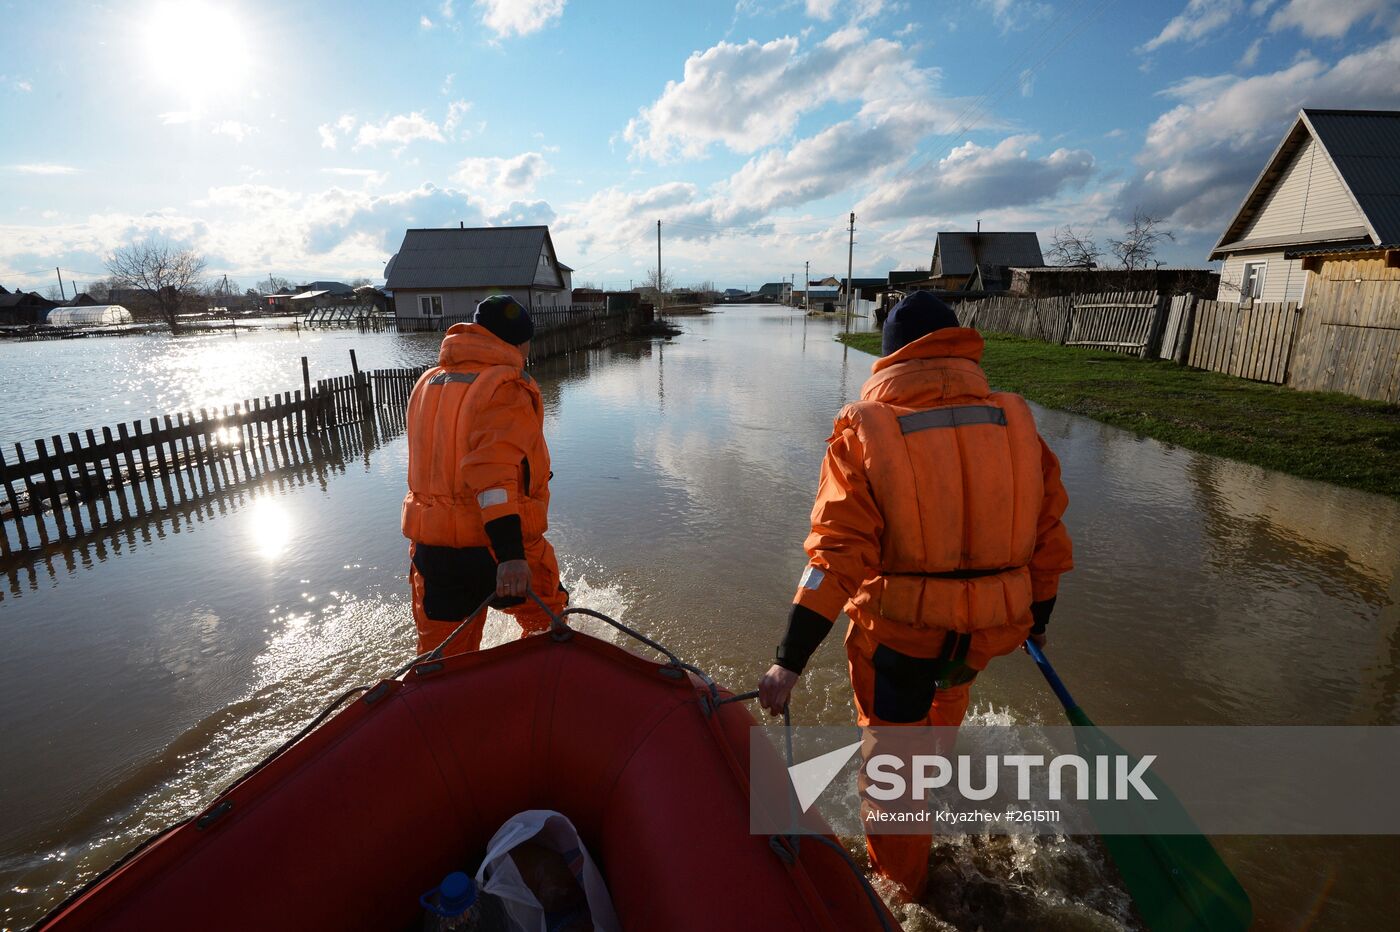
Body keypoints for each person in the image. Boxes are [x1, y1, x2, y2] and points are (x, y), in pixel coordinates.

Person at [756, 290, 1073, 902]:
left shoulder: (866, 429)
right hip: (982, 634)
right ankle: (937, 778)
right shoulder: (1017, 422)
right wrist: (1039, 620)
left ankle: (902, 894)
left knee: (893, 777)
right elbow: (1048, 539)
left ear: (890, 355)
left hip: (901, 639)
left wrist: (788, 658)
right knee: (946, 703)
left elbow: (835, 556)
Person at [401, 294, 568, 656]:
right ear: (519, 341)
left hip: (434, 551)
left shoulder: (428, 382)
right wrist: (510, 555)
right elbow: (492, 477)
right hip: (495, 546)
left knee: (442, 661)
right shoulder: (505, 387)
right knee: (550, 633)